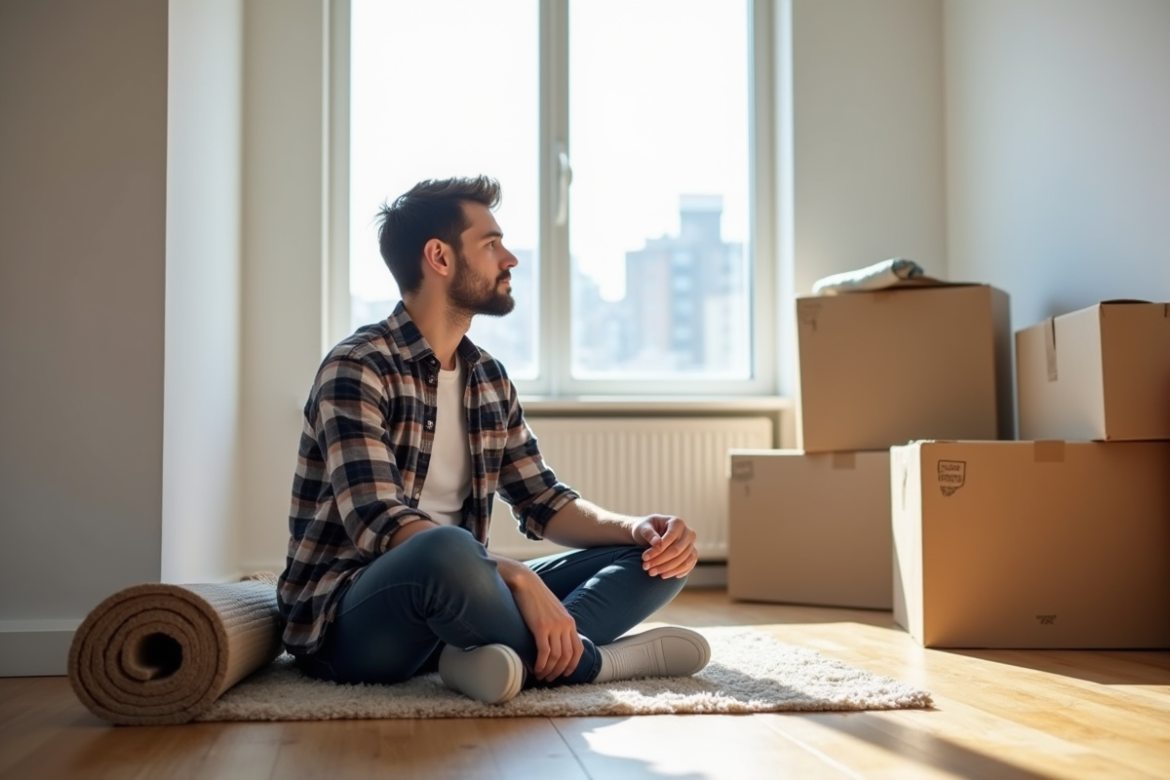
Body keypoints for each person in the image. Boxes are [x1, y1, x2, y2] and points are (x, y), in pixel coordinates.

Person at [276, 175, 710, 705]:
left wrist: (639, 528)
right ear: (439, 257)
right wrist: (517, 580)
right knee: (448, 547)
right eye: (491, 244)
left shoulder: (487, 376)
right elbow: (377, 519)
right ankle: (592, 662)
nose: (510, 259)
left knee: (654, 559)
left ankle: (496, 657)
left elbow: (542, 500)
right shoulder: (358, 366)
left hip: (458, 603)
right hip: (348, 619)